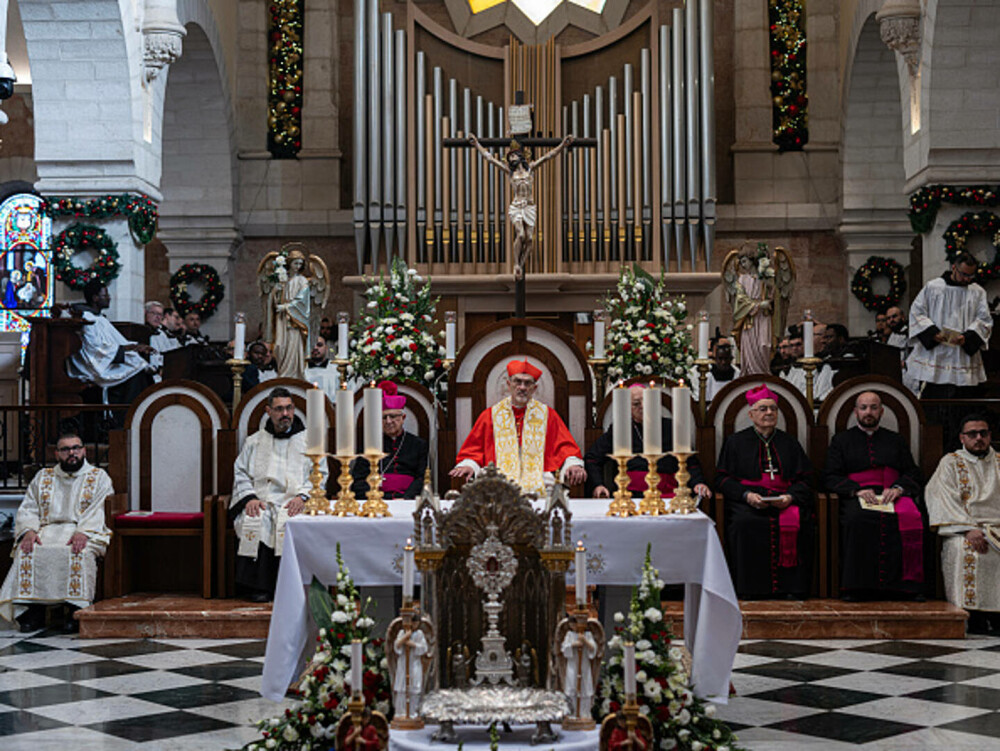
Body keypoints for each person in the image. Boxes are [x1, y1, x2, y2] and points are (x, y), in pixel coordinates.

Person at [0, 430, 113, 633]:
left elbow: (99, 509)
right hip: (46, 530)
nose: (72, 453)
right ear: (57, 454)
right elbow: (29, 507)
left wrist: (84, 532)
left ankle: (74, 612)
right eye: (66, 449)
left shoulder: (99, 477)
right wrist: (28, 530)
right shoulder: (43, 477)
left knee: (79, 552)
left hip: (82, 530)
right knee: (27, 551)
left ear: (84, 450)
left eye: (76, 448)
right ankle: (32, 613)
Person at [715, 384, 815, 599]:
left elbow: (807, 478)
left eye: (773, 409)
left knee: (802, 523)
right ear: (751, 415)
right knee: (744, 524)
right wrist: (746, 496)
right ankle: (750, 589)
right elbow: (722, 479)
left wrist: (790, 497)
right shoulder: (735, 442)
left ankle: (792, 588)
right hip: (751, 501)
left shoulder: (789, 442)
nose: (769, 413)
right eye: (763, 409)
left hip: (785, 501)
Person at [823, 392, 925, 600]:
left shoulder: (895, 440)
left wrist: (898, 488)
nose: (868, 412)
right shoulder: (841, 440)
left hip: (892, 495)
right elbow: (830, 475)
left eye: (873, 407)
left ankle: (906, 588)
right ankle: (857, 588)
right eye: (863, 407)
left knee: (913, 518)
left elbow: (912, 472)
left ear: (881, 411)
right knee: (857, 519)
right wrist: (856, 490)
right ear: (856, 412)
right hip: (858, 496)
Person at [229, 387, 325, 601]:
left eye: (289, 408)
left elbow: (320, 475)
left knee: (291, 521)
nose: (285, 414)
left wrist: (302, 497)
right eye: (279, 409)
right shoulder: (255, 441)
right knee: (255, 519)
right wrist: (250, 498)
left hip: (296, 501)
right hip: (262, 500)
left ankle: (296, 586)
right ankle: (260, 588)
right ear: (268, 411)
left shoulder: (310, 442)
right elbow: (241, 472)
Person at [450, 359, 585, 495]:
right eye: (517, 381)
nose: (522, 387)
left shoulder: (548, 415)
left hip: (540, 483)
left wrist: (573, 464)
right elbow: (473, 449)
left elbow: (565, 447)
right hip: (496, 485)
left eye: (527, 383)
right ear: (509, 385)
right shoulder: (490, 415)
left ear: (534, 388)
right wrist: (469, 465)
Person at [926, 414, 1000, 634]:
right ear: (962, 438)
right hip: (965, 528)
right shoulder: (950, 463)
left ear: (989, 436)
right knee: (965, 549)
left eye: (983, 433)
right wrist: (968, 529)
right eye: (972, 434)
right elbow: (940, 496)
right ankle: (973, 616)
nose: (978, 438)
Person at [468, 134, 575, 280]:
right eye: (510, 157)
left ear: (520, 156)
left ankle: (521, 267)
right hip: (517, 207)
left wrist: (563, 145)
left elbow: (548, 156)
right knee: (521, 234)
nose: (511, 158)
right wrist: (477, 144)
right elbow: (490, 159)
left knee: (530, 239)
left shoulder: (530, 169)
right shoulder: (510, 172)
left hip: (530, 207)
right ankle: (516, 264)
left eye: (514, 156)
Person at [584, 384, 711, 500]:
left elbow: (691, 462)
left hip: (669, 495)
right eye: (636, 404)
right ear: (628, 409)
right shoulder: (620, 429)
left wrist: (698, 483)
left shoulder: (671, 427)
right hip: (630, 496)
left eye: (647, 401)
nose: (643, 407)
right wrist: (598, 485)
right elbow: (592, 459)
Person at [907, 252, 993, 397]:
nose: (967, 279)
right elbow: (917, 313)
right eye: (964, 274)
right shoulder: (933, 287)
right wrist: (932, 333)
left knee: (964, 400)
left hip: (962, 354)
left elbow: (984, 320)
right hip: (936, 353)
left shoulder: (977, 292)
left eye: (971, 276)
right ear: (954, 268)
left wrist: (967, 337)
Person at [67, 281, 156, 404]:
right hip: (95, 366)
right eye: (106, 295)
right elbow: (94, 348)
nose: (109, 298)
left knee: (139, 366)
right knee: (136, 372)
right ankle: (124, 414)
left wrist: (135, 347)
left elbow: (116, 341)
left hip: (106, 360)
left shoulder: (100, 318)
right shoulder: (86, 319)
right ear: (95, 298)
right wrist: (129, 348)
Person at [352, 381, 429, 500]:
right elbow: (358, 481)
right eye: (383, 417)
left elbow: (422, 478)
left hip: (408, 501)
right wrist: (379, 497)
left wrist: (406, 498)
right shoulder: (369, 445)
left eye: (393, 416)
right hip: (376, 500)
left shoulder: (418, 444)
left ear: (403, 418)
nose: (388, 421)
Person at [304, 334, 339, 399]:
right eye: (312, 345)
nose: (315, 348)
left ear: (326, 348)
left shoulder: (336, 369)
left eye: (319, 345)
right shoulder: (302, 369)